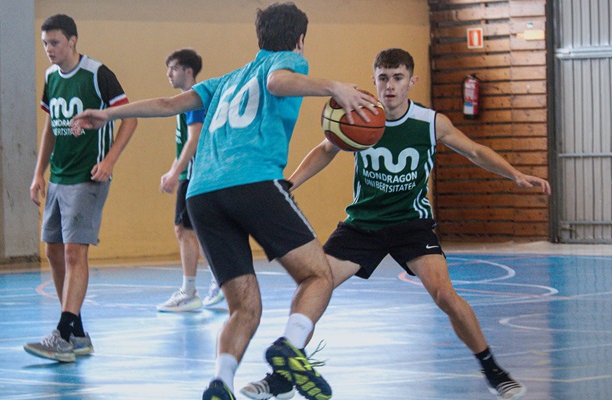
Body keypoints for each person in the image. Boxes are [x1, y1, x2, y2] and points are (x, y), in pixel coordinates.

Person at [72, 3, 378, 398]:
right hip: (251, 182)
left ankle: (221, 383)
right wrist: (334, 86)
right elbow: (277, 84)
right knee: (317, 275)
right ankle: (289, 346)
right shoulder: (289, 62)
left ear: (259, 38)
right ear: (300, 39)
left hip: (202, 194)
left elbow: (168, 105)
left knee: (243, 307)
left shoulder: (225, 81)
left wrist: (108, 115)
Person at [240, 48, 546, 400]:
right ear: (374, 80)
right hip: (362, 224)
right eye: (383, 78)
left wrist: (515, 174)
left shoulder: (431, 122)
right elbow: (326, 150)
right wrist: (290, 183)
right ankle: (281, 376)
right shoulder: (359, 113)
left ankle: (494, 371)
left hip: (410, 225)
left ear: (411, 81)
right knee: (315, 283)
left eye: (398, 78)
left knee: (445, 294)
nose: (389, 86)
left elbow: (475, 151)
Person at [24, 14, 138, 363]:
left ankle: (62, 332)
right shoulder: (50, 77)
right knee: (54, 252)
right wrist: (38, 172)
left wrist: (110, 161)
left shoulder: (97, 74)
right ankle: (76, 332)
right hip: (58, 176)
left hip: (88, 177)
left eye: (55, 43)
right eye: (45, 44)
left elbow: (129, 117)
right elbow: (49, 127)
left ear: (72, 41)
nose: (49, 50)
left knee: (75, 253)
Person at [156, 48, 223, 312]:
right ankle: (219, 282)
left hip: (195, 175)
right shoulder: (188, 99)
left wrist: (176, 172)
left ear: (188, 71)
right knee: (191, 232)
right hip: (194, 173)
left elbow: (194, 138)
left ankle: (191, 291)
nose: (168, 74)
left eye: (173, 68)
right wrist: (175, 169)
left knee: (185, 232)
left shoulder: (193, 99)